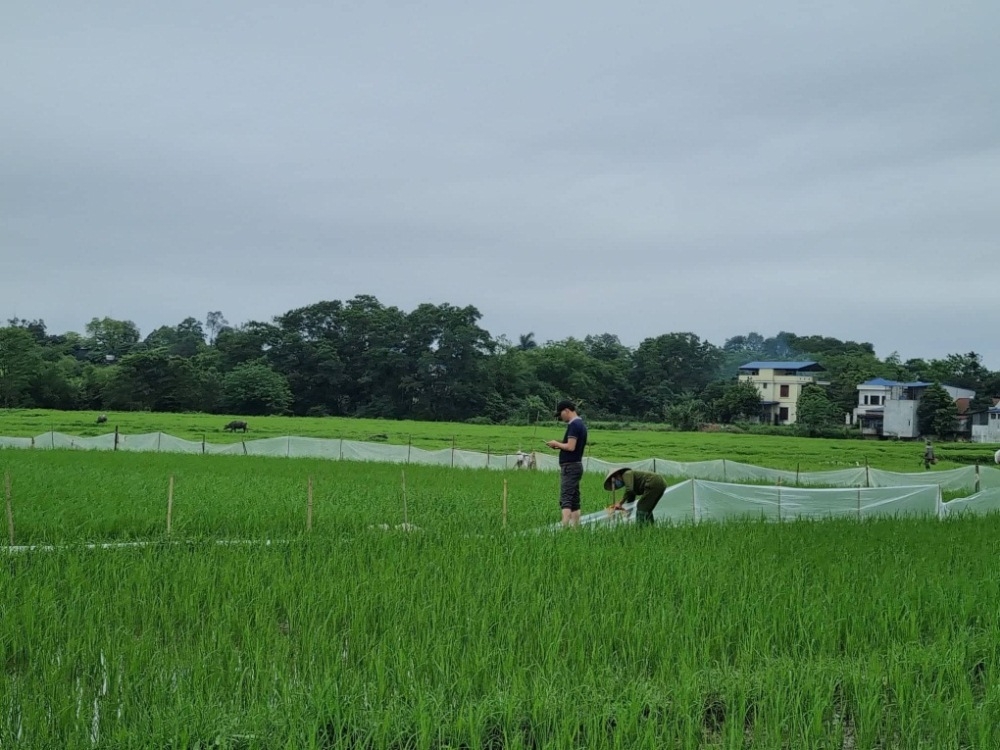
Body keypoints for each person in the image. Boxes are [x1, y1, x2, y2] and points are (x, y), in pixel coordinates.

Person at [546, 399, 588, 527]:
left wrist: (556, 443)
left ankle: (564, 526)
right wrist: (559, 446)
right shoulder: (581, 424)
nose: (560, 417)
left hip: (570, 467)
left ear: (567, 410)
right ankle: (575, 527)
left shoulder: (574, 425)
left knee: (566, 498)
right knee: (574, 499)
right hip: (576, 465)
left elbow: (570, 447)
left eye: (560, 414)